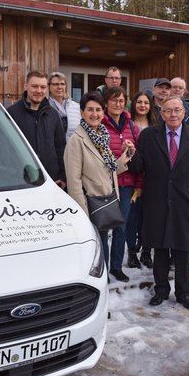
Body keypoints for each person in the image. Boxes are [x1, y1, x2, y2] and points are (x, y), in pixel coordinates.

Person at [128, 96, 189, 310]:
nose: (173, 114)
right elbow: (138, 167)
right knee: (161, 250)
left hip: (185, 203)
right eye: (168, 111)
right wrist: (130, 152)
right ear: (161, 114)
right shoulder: (148, 136)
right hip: (156, 203)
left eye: (177, 110)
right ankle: (161, 291)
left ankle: (183, 293)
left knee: (183, 251)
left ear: (184, 112)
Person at [64, 91, 135, 266]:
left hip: (106, 199)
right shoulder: (76, 141)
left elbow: (107, 170)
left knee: (104, 241)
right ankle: (101, 277)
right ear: (81, 112)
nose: (94, 114)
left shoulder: (102, 136)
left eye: (98, 110)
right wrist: (84, 214)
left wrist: (123, 160)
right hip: (91, 203)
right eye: (90, 110)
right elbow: (74, 183)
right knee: (98, 244)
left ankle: (108, 274)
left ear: (103, 113)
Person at [102, 86, 141, 282]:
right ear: (106, 102)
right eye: (113, 100)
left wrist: (131, 151)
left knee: (121, 227)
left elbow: (140, 159)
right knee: (104, 228)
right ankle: (104, 268)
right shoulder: (99, 124)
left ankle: (116, 267)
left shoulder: (132, 127)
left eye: (121, 100)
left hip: (126, 185)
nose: (118, 104)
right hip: (105, 184)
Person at [8, 70, 67, 188]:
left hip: (52, 180)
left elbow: (61, 148)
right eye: (35, 86)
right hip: (21, 180)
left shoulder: (53, 115)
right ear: (26, 86)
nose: (39, 91)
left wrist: (62, 176)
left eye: (43, 87)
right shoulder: (12, 113)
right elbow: (5, 150)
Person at [126, 91, 160, 270]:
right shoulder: (129, 125)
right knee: (133, 217)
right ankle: (132, 252)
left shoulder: (156, 125)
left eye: (146, 103)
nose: (142, 106)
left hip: (152, 177)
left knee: (149, 218)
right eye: (139, 102)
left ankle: (147, 251)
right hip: (133, 176)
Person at [48, 71, 81, 142]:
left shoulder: (76, 107)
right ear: (49, 87)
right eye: (55, 84)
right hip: (52, 149)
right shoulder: (44, 107)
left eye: (62, 84)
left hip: (72, 149)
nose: (59, 87)